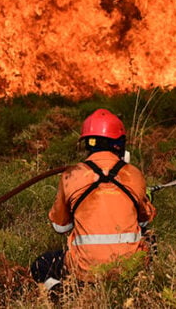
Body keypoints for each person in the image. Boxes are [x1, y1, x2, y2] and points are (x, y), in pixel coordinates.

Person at [30, 108, 157, 294]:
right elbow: (144, 221)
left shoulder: (71, 175)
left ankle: (60, 292)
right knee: (151, 238)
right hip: (130, 268)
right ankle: (144, 288)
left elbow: (60, 228)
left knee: (40, 266)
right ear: (119, 144)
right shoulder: (134, 174)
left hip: (83, 271)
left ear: (87, 144)